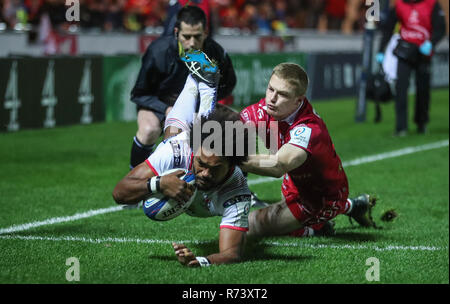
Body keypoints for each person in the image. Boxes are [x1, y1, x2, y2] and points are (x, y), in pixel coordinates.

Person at [238, 63, 376, 238]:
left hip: (321, 197)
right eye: (270, 89)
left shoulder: (308, 128)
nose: (272, 99)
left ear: (298, 100)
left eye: (282, 94)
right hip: (295, 181)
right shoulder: (267, 110)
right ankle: (355, 206)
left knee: (250, 225)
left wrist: (232, 158)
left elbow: (278, 165)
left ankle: (319, 228)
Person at [113, 109, 252, 267]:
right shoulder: (176, 151)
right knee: (177, 115)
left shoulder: (236, 190)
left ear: (231, 165)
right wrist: (158, 183)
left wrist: (200, 261)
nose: (205, 174)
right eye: (201, 164)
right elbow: (119, 193)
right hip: (177, 129)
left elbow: (231, 254)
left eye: (215, 169)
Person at [129, 5, 236, 170]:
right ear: (176, 32)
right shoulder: (158, 51)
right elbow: (139, 94)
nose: (192, 43)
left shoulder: (216, 52)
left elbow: (229, 83)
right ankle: (136, 180)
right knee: (149, 130)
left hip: (197, 106)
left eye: (197, 37)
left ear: (205, 33)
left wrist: (205, 104)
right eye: (186, 36)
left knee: (233, 127)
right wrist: (165, 109)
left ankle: (237, 187)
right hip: (161, 104)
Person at [376, 0, 446, 136]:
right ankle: (401, 127)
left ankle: (421, 123)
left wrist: (431, 43)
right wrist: (380, 49)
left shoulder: (431, 4)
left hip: (423, 53)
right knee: (400, 88)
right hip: (405, 51)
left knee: (423, 90)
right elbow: (388, 28)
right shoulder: (400, 5)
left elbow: (440, 28)